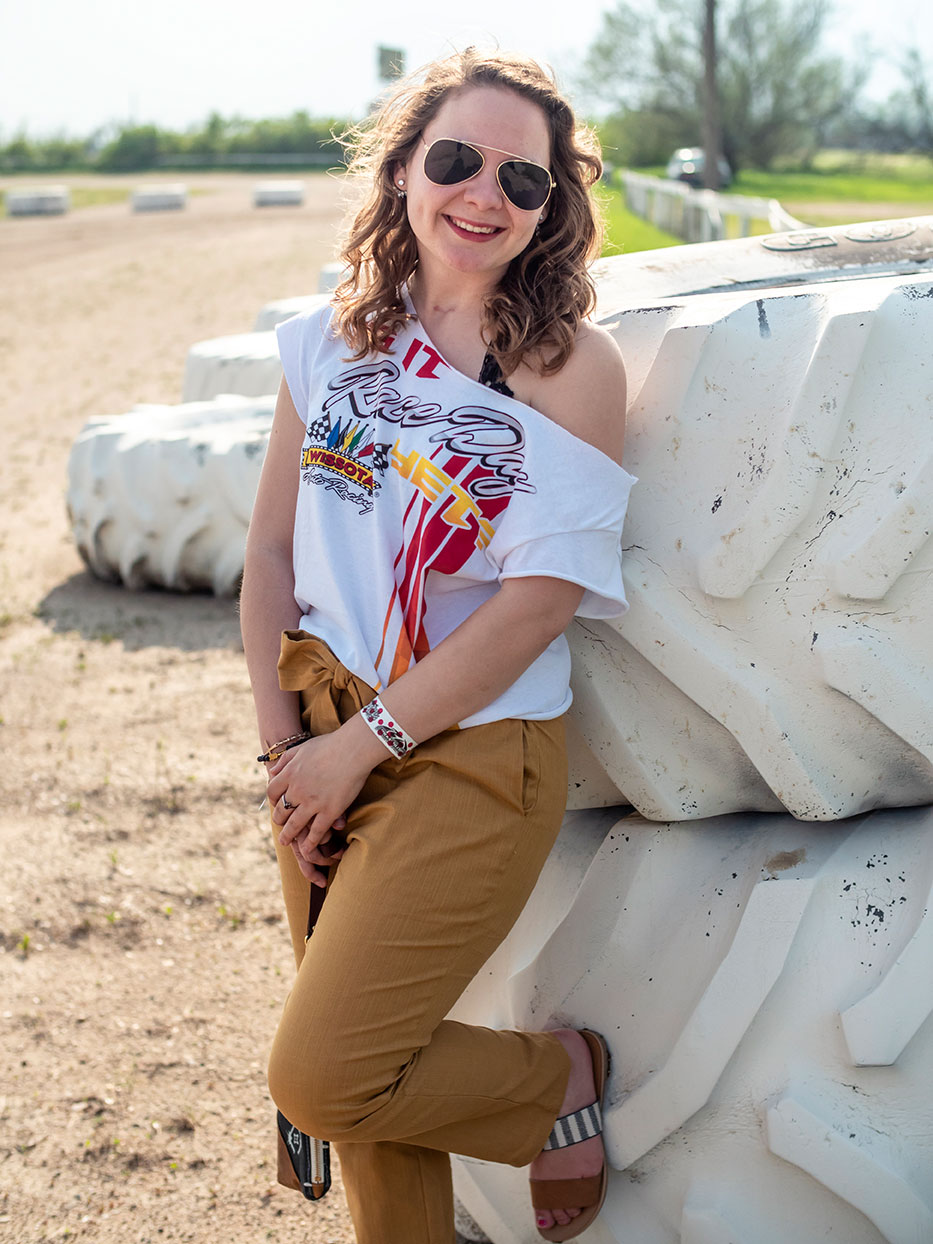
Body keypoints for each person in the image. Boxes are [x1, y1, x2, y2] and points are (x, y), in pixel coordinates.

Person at [239, 47, 637, 1244]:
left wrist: (359, 746)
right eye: (457, 158)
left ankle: (553, 1081)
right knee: (371, 1088)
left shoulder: (569, 370)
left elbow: (538, 604)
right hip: (320, 723)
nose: (484, 194)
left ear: (552, 206)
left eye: (524, 178)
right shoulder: (328, 338)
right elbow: (270, 555)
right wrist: (287, 749)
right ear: (405, 166)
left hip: (474, 748)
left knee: (324, 1072)